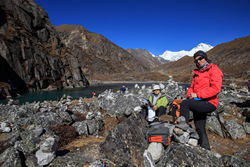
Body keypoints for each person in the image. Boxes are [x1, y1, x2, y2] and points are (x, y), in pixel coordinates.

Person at [180, 50, 223, 150]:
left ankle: (183, 130)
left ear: (205, 58)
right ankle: (206, 149)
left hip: (209, 102)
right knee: (199, 127)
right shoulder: (197, 73)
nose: (198, 61)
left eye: (200, 58)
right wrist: (189, 95)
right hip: (199, 101)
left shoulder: (214, 70)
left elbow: (216, 89)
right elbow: (191, 87)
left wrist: (197, 94)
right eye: (196, 61)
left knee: (185, 104)